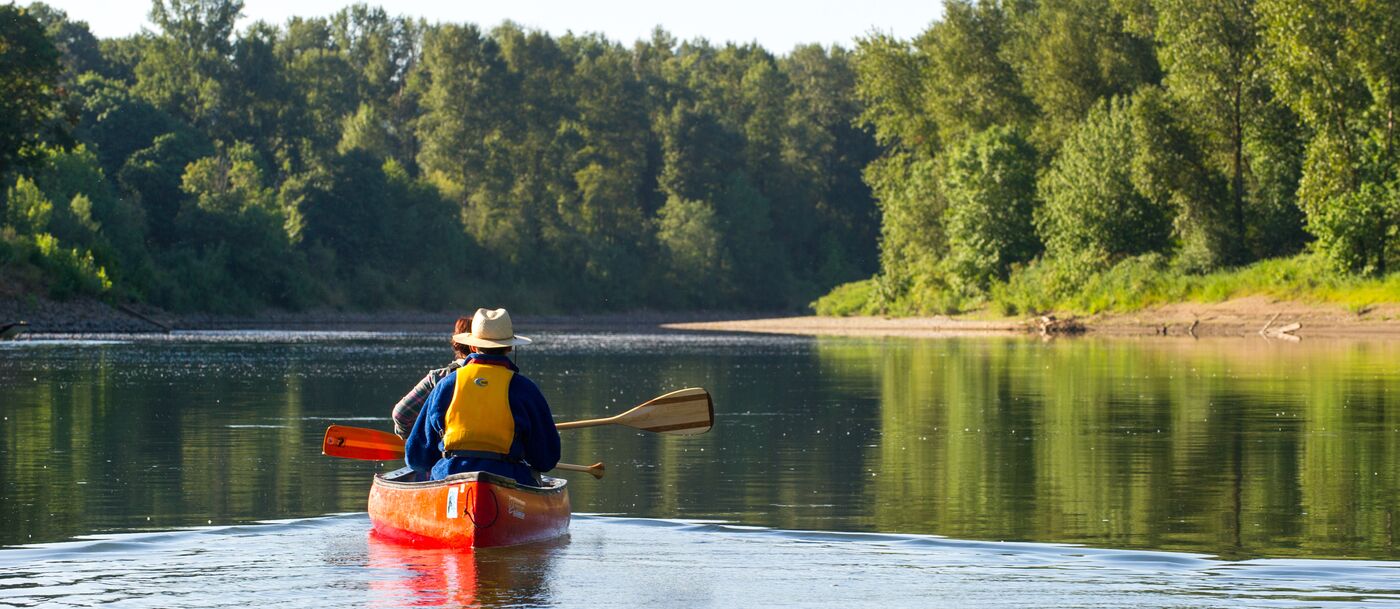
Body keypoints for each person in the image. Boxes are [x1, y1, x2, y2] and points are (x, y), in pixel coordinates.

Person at [405, 307, 560, 486]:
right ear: (510, 347)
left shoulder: (446, 385)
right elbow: (547, 459)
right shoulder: (526, 390)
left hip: (450, 480)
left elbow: (416, 458)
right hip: (509, 481)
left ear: (472, 346)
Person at [391, 316, 472, 439]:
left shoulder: (439, 378)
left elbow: (401, 415)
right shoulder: (505, 378)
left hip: (447, 453)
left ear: (456, 343)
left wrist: (421, 443)